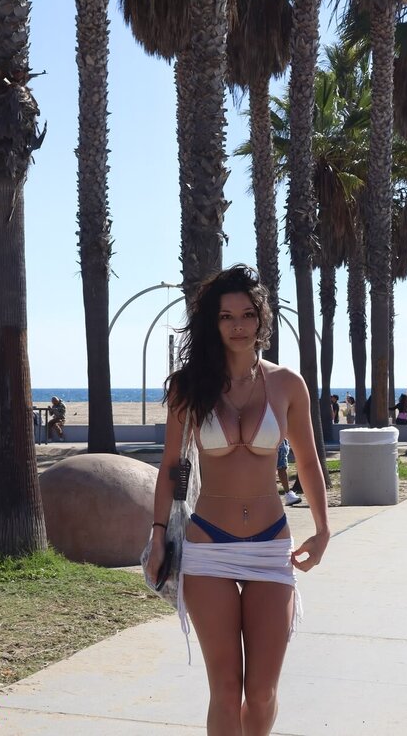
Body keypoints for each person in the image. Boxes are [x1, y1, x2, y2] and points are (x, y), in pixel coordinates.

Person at [146, 265, 329, 735]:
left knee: (262, 691)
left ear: (262, 318)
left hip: (271, 546)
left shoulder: (287, 384)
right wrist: (158, 535)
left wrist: (323, 529)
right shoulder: (188, 387)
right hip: (208, 546)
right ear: (214, 322)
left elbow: (308, 462)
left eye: (247, 314)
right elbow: (171, 467)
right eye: (226, 316)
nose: (238, 326)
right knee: (226, 690)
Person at [276, 438, 301, 506]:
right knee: (270, 468)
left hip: (281, 441)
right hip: (267, 439)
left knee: (282, 467)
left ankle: (288, 494)